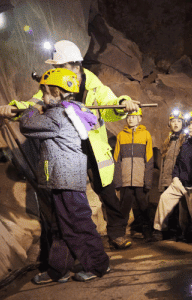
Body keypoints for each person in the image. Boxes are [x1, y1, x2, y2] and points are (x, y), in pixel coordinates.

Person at [0, 68, 110, 283]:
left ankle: (97, 265)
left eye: (44, 91)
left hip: (67, 179)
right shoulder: (70, 110)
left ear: (57, 92)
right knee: (61, 225)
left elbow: (28, 124)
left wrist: (32, 107)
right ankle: (59, 270)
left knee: (78, 224)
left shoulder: (59, 115)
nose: (42, 96)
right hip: (63, 178)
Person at [32, 40, 140, 249]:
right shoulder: (55, 81)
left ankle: (116, 234)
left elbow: (110, 105)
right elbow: (34, 102)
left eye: (59, 67)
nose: (56, 70)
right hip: (67, 148)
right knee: (69, 196)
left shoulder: (92, 85)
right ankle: (75, 243)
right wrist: (14, 108)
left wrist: (122, 103)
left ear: (75, 65)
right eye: (55, 67)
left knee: (107, 192)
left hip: (93, 146)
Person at [154, 110, 192, 245]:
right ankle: (162, 230)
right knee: (173, 207)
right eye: (189, 124)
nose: (189, 127)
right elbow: (178, 163)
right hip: (181, 183)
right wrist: (175, 177)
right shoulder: (186, 144)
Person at [113, 108, 154, 242]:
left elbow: (149, 160)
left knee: (143, 207)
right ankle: (120, 235)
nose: (130, 119)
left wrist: (147, 181)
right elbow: (116, 160)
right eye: (129, 116)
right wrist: (118, 181)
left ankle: (148, 234)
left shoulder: (146, 135)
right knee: (123, 209)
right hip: (125, 180)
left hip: (140, 180)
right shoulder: (120, 135)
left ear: (140, 118)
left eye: (134, 116)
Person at [154, 109, 186, 240]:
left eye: (179, 121)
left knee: (180, 208)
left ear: (183, 123)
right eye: (173, 121)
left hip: (179, 179)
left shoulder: (185, 140)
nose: (176, 124)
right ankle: (167, 231)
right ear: (169, 124)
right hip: (168, 179)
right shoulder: (167, 140)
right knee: (168, 208)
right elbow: (163, 164)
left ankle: (179, 232)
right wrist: (162, 182)